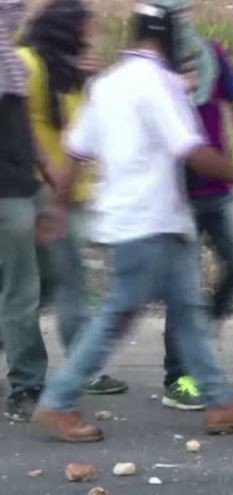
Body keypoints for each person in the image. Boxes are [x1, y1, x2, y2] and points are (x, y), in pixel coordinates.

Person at [32, 2, 233, 442]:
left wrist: (59, 208)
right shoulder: (161, 82)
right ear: (168, 37)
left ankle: (220, 402)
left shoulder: (107, 84)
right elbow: (192, 150)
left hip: (146, 220)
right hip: (149, 222)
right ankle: (58, 401)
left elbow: (75, 152)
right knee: (116, 316)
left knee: (188, 310)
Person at [151, 0, 233, 412]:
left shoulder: (211, 55)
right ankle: (179, 377)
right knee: (183, 288)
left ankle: (201, 340)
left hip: (217, 189)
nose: (184, 20)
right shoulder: (150, 69)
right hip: (175, 194)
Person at [18, 0, 129, 396]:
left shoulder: (69, 71)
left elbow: (89, 129)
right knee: (69, 283)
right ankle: (84, 368)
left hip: (67, 193)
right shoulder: (27, 64)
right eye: (85, 28)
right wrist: (50, 177)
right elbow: (18, 127)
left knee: (45, 287)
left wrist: (92, 81)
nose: (91, 36)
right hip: (39, 193)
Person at [0, 0, 52, 422]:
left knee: (51, 273)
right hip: (6, 195)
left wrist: (48, 169)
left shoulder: (11, 64)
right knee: (21, 289)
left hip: (26, 186)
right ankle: (27, 385)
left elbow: (23, 123)